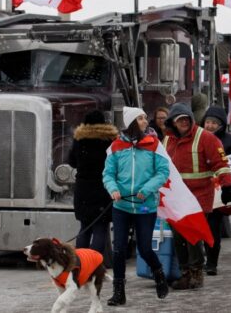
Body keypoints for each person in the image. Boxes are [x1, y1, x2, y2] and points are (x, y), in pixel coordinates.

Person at [103, 107, 171, 304]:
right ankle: (119, 293)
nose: (145, 121)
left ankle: (159, 275)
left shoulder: (154, 144)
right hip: (121, 206)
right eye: (140, 118)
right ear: (131, 122)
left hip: (145, 206)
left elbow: (162, 171)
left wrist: (148, 189)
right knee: (119, 250)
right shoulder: (116, 146)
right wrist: (113, 189)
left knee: (144, 248)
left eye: (144, 117)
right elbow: (108, 174)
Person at [163, 102, 231, 290]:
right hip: (176, 198)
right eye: (180, 120)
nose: (184, 123)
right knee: (178, 237)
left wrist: (227, 186)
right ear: (173, 123)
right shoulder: (167, 140)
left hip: (198, 195)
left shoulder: (206, 138)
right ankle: (185, 273)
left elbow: (221, 163)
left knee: (192, 236)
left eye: (187, 119)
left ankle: (196, 273)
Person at [201, 105, 231, 276]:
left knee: (213, 228)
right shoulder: (198, 138)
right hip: (200, 189)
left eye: (214, 122)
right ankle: (197, 261)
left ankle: (211, 263)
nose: (210, 125)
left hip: (218, 192)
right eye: (208, 122)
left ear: (221, 124)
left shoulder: (230, 141)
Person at [68, 110, 118, 256]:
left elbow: (72, 162)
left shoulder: (79, 139)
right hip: (103, 187)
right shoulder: (110, 140)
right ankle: (95, 262)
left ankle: (81, 262)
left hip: (83, 188)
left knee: (84, 226)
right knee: (100, 226)